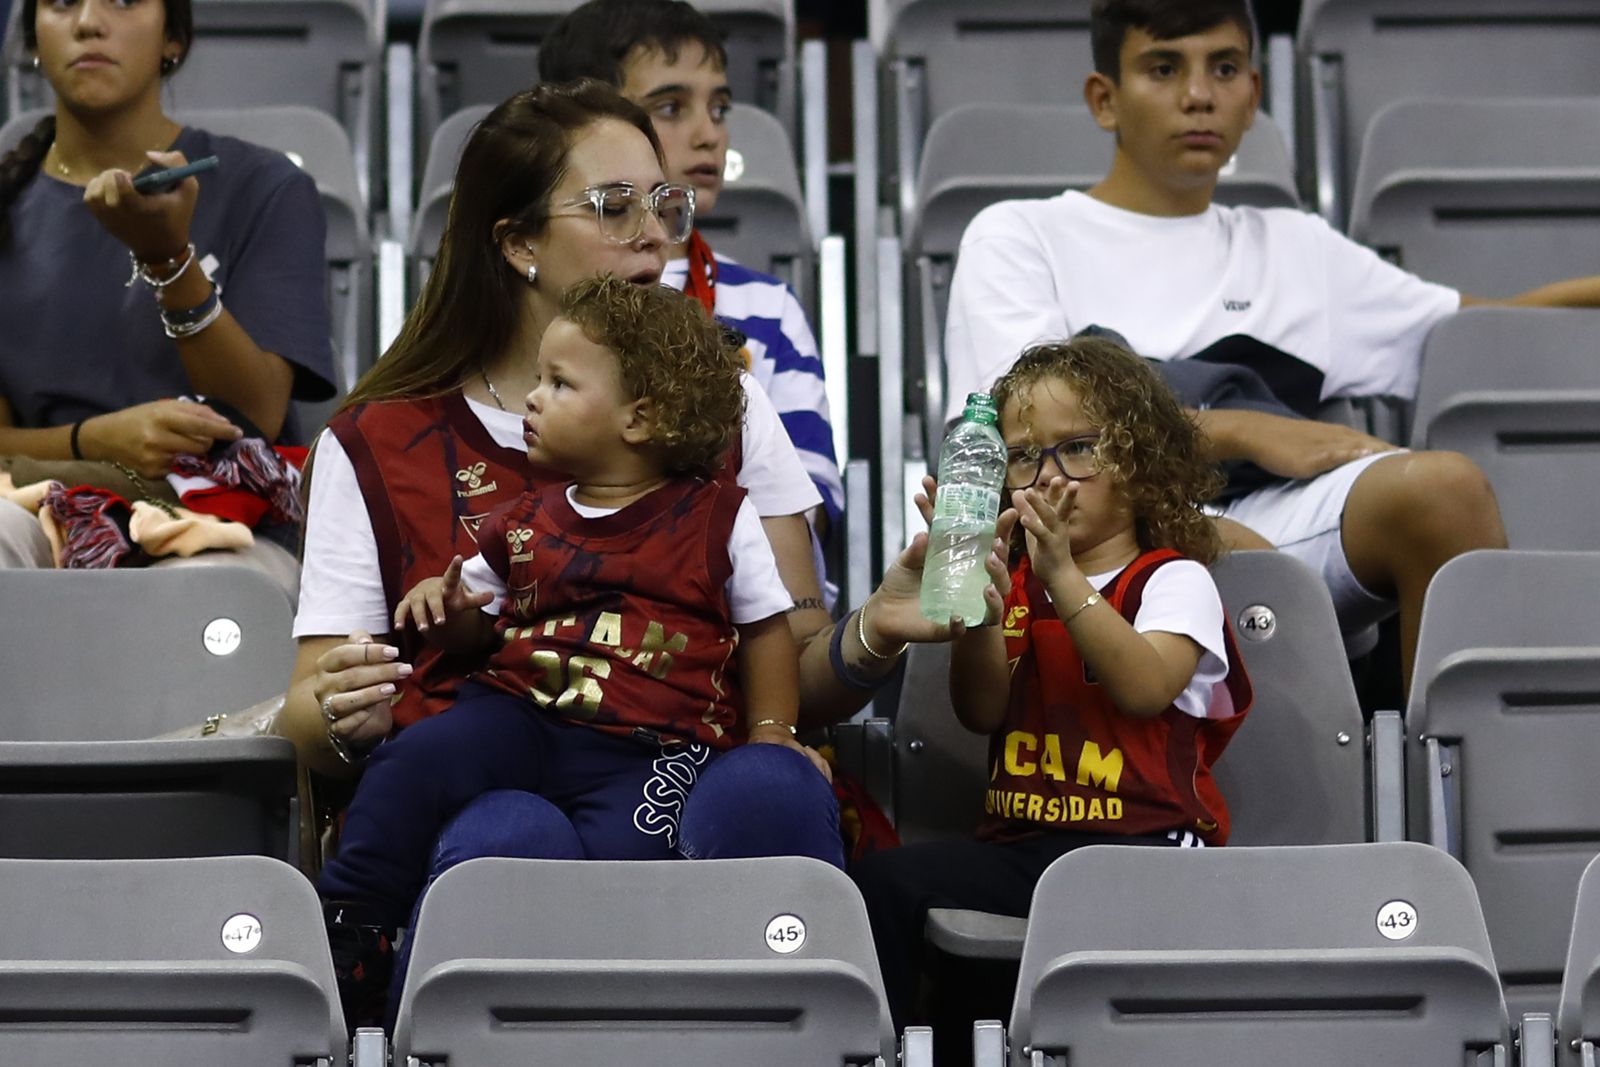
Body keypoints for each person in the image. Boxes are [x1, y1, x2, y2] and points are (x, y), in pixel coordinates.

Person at [280, 78, 953, 1017]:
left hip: (683, 760)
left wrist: (874, 629)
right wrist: (340, 710)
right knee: (508, 827)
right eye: (613, 206)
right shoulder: (376, 443)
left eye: (664, 204)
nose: (654, 236)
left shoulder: (724, 408)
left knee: (768, 785)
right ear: (516, 242)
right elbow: (307, 717)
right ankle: (365, 961)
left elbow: (789, 664)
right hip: (491, 771)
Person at [943, 0, 1600, 693]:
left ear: (1253, 94)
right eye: (1164, 69)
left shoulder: (1297, 246)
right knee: (1229, 551)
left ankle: (1446, 759)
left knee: (1445, 490)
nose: (1199, 95)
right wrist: (1245, 431)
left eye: (1225, 68)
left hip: (1273, 515)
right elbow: (1019, 443)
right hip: (1099, 524)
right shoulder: (1020, 234)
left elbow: (1481, 327)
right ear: (1105, 99)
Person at [318, 273, 839, 1026]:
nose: (532, 399)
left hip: (653, 743)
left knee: (617, 877)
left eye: (559, 384)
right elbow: (479, 628)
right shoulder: (520, 518)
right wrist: (449, 612)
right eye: (538, 380)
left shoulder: (719, 518)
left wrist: (771, 732)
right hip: (519, 717)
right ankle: (354, 924)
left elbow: (766, 630)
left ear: (639, 417)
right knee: (413, 761)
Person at [853, 336, 1253, 1031]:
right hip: (1026, 848)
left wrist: (1062, 576)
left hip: (1146, 852)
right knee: (884, 884)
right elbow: (980, 711)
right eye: (1023, 456)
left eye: (1078, 449)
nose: (1047, 476)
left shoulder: (1172, 579)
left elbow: (1145, 687)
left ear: (1140, 462)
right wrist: (980, 607)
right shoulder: (1016, 586)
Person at [0, 0, 336, 588]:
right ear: (32, 39)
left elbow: (255, 413)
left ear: (172, 38)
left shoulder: (266, 187)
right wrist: (94, 443)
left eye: (124, 0)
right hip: (37, 503)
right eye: (61, 2)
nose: (88, 21)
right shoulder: (10, 204)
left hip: (223, 519)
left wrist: (170, 260)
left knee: (207, 586)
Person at [539, 0, 843, 532]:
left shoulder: (768, 307)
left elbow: (809, 503)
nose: (710, 134)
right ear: (588, 124)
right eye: (671, 107)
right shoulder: (543, 296)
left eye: (719, 108)